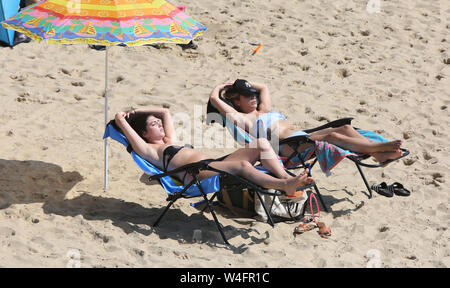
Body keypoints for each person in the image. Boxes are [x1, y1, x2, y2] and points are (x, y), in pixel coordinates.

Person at [114, 106, 313, 197]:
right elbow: (124, 125)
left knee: (261, 143)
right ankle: (284, 185)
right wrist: (122, 119)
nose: (160, 125)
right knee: (241, 165)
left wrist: (139, 111)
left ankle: (286, 177)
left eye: (158, 123)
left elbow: (164, 111)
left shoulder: (169, 141)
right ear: (143, 133)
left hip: (213, 164)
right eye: (154, 124)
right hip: (197, 174)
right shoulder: (151, 151)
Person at [209, 79, 403, 164]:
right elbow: (215, 101)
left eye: (252, 94)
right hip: (287, 148)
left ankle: (379, 155)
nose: (253, 97)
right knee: (333, 135)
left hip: (301, 137)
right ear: (236, 101)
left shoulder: (265, 108)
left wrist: (240, 83)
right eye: (246, 96)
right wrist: (221, 88)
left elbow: (264, 87)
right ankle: (378, 148)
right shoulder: (243, 119)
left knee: (344, 127)